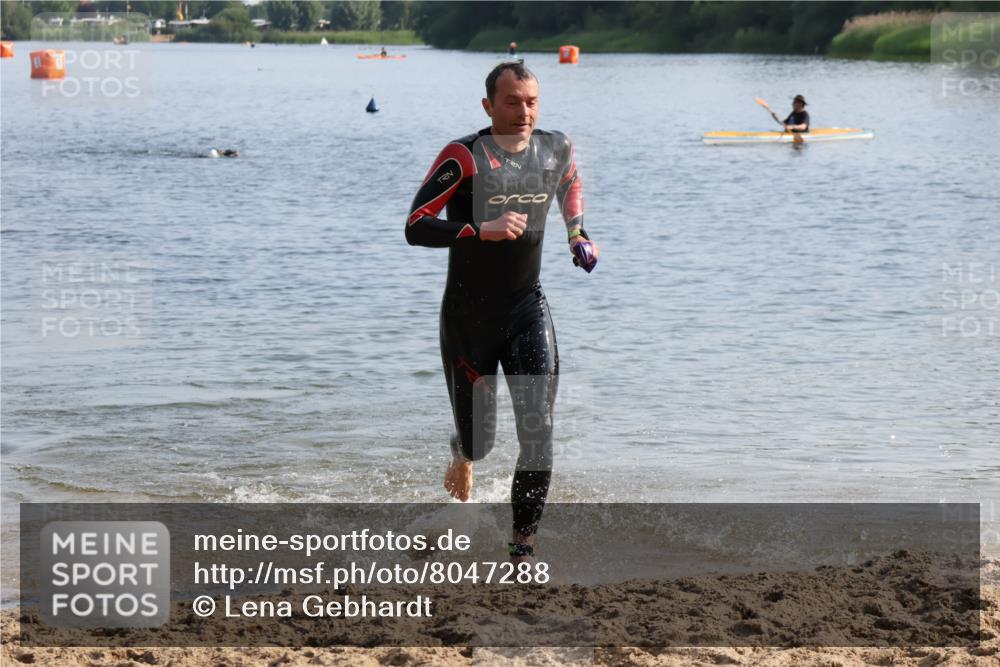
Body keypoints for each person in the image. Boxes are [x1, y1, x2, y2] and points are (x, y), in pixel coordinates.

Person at [405, 61, 598, 562]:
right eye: (512, 102)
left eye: (531, 101)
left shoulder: (554, 147)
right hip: (469, 319)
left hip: (526, 309)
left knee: (538, 430)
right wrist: (477, 229)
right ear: (489, 106)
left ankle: (522, 546)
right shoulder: (464, 156)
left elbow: (570, 179)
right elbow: (416, 224)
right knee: (480, 441)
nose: (524, 111)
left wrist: (576, 231)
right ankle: (462, 450)